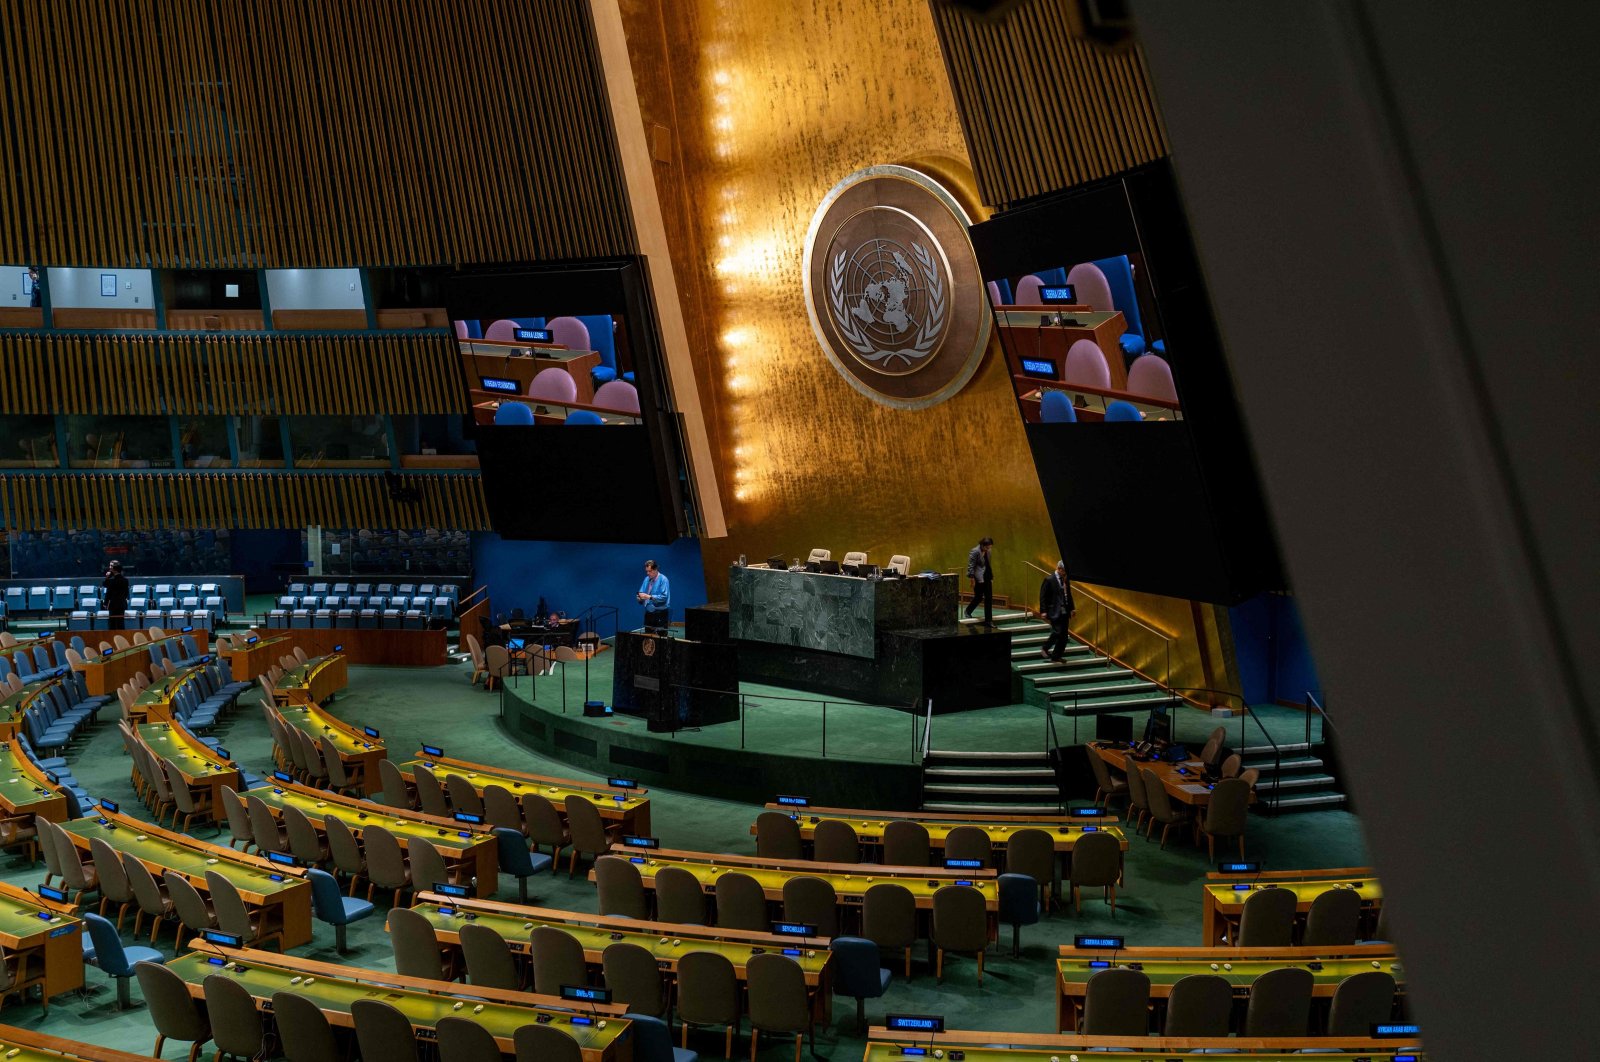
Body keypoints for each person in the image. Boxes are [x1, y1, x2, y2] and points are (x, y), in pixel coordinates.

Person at [1038, 559, 1075, 661]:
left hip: (1065, 611)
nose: (1065, 573)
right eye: (1064, 570)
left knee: (1064, 636)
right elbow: (1043, 596)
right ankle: (1045, 648)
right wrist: (1043, 611)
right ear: (1059, 569)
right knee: (1057, 631)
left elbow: (1069, 595)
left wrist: (1072, 608)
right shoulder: (1049, 579)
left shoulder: (1066, 580)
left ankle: (1056, 656)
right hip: (1054, 611)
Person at [965, 536, 995, 625]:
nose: (988, 549)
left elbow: (988, 564)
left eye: (990, 547)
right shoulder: (975, 551)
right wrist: (972, 579)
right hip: (978, 577)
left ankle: (988, 621)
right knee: (979, 597)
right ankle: (968, 611)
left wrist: (991, 576)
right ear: (982, 545)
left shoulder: (988, 551)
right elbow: (971, 566)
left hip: (987, 577)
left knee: (989, 598)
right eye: (987, 547)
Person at [637, 559, 671, 634]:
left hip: (660, 612)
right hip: (648, 612)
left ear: (655, 569)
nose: (648, 573)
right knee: (648, 637)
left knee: (661, 637)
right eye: (646, 571)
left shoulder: (663, 579)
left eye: (650, 571)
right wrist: (639, 598)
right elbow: (641, 592)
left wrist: (649, 597)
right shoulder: (646, 579)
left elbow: (664, 597)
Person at [101, 559, 130, 631]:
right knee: (121, 623)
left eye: (111, 566)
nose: (109, 567)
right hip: (122, 604)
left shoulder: (112, 580)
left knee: (112, 624)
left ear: (115, 568)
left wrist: (107, 577)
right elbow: (126, 593)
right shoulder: (125, 580)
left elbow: (107, 590)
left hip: (113, 604)